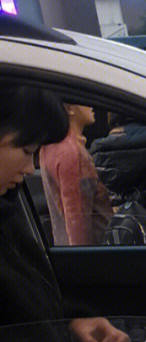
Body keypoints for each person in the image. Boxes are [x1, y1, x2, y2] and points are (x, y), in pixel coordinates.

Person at [0, 84, 130, 342]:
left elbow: (23, 318)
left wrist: (70, 322)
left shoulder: (7, 214)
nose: (29, 169)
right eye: (25, 150)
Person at [38, 103, 114, 246]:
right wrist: (81, 260)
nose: (91, 105)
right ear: (70, 108)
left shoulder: (52, 146)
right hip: (94, 257)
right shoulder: (71, 151)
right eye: (82, 101)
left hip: (68, 247)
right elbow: (76, 220)